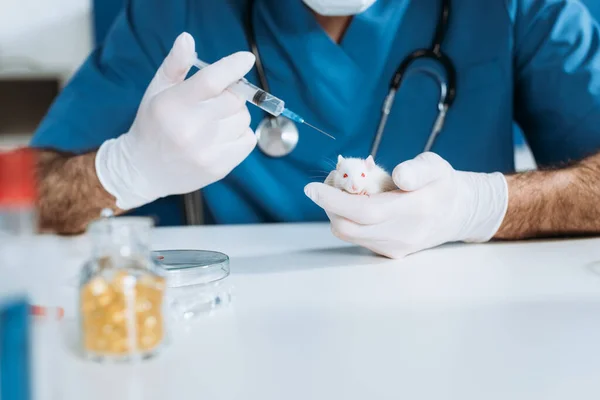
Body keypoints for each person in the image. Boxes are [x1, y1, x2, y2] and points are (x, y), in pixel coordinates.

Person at [31, 0, 600, 258]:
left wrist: (483, 206)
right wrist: (124, 170)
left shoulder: (521, 7)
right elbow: (32, 198)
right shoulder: (177, 13)